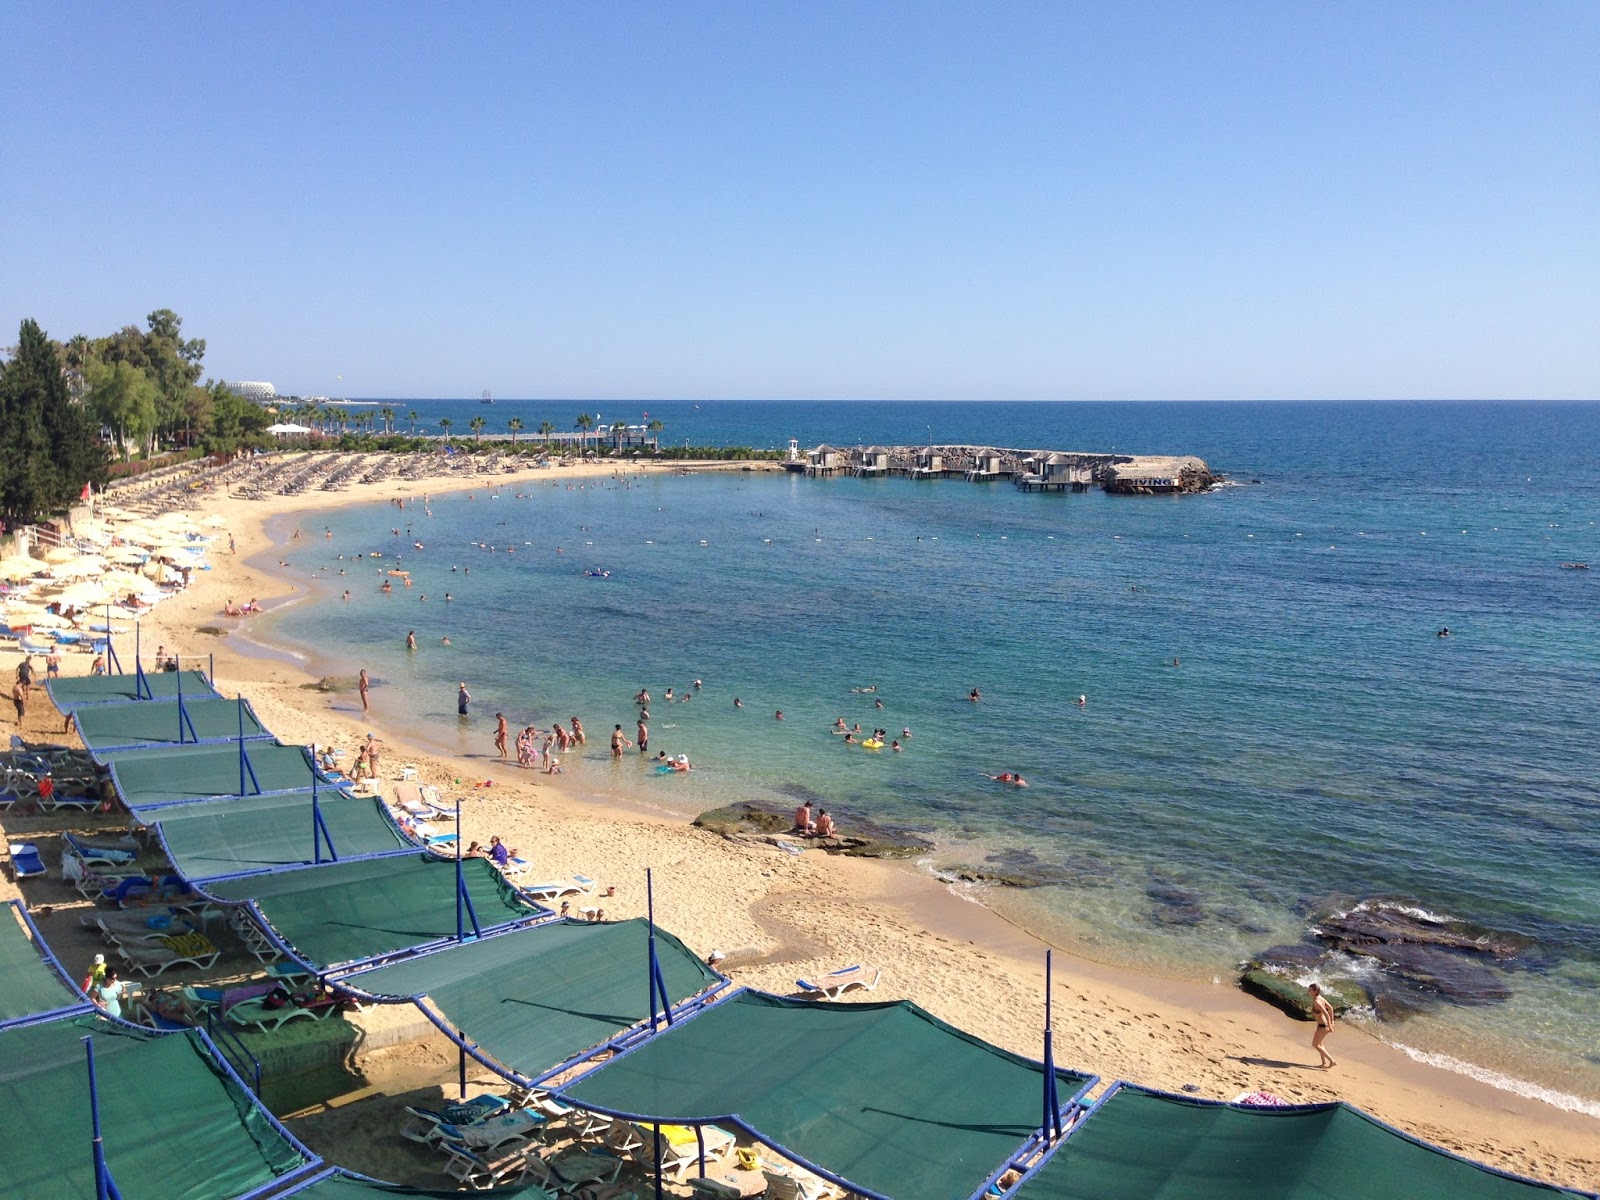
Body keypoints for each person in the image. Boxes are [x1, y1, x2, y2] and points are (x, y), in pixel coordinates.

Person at [1309, 983, 1337, 1068]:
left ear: (1315, 991)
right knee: (1320, 1044)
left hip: (1323, 1026)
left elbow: (1326, 1013)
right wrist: (1332, 1022)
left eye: (1310, 990)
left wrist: (1331, 1025)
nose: (1308, 991)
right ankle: (1324, 1063)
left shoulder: (1317, 1001)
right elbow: (1331, 1008)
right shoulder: (1319, 998)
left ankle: (1332, 1061)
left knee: (1315, 1045)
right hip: (1321, 1025)